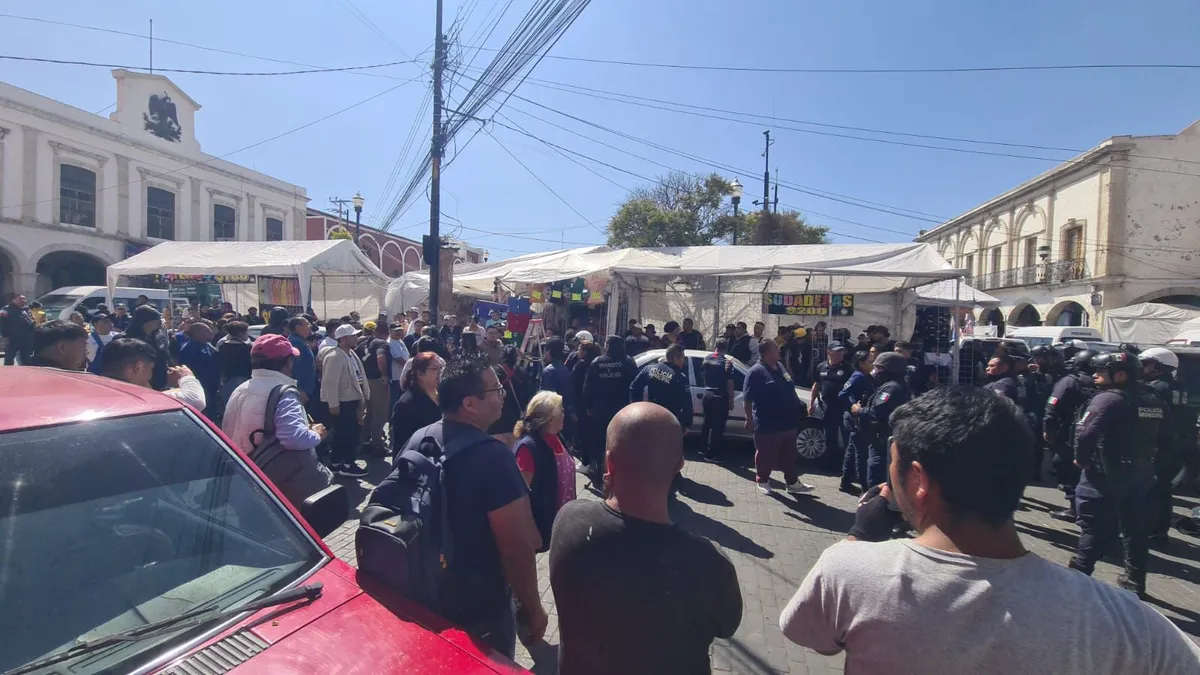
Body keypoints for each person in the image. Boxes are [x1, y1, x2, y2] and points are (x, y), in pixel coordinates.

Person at [779, 385, 1200, 673]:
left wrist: (861, 533)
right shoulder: (1125, 620)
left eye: (894, 467)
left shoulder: (850, 571)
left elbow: (813, 637)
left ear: (920, 481)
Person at [550, 403, 742, 675]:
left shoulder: (569, 520)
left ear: (609, 461)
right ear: (679, 466)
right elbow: (727, 625)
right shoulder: (710, 564)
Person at [391, 358, 547, 658]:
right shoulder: (495, 459)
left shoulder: (420, 437)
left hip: (425, 592)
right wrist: (533, 608)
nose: (503, 394)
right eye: (496, 389)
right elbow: (516, 549)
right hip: (479, 610)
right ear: (470, 404)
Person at [1070, 351, 1163, 598]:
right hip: (1141, 473)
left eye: (1100, 371)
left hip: (1106, 474)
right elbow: (1167, 437)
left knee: (1093, 527)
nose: (1095, 375)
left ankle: (1078, 577)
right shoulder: (1152, 399)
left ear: (1120, 375)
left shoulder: (1108, 399)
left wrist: (1081, 458)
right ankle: (1135, 581)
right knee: (1135, 530)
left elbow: (1087, 432)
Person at [221, 334, 331, 506]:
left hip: (245, 473)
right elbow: (294, 438)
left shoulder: (240, 389)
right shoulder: (283, 393)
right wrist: (316, 434)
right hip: (276, 480)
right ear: (287, 362)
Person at [744, 340, 813, 495]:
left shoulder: (780, 366)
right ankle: (762, 480)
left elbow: (789, 387)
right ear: (767, 352)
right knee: (766, 454)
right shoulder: (756, 371)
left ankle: (793, 483)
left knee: (789, 455)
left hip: (788, 422)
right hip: (768, 423)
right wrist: (749, 419)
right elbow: (747, 399)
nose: (779, 351)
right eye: (776, 349)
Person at [512, 391, 577, 550]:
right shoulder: (528, 448)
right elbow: (519, 496)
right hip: (543, 526)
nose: (564, 414)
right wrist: (531, 531)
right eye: (560, 410)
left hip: (562, 522)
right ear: (549, 418)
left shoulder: (556, 437)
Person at [1044, 349, 1098, 522]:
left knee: (1064, 466)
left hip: (1068, 432)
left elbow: (1052, 408)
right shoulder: (1102, 383)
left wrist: (1048, 429)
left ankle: (1074, 507)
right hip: (1094, 433)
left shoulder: (1069, 382)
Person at [1141, 347, 1187, 549]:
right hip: (1175, 444)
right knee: (1163, 490)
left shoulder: (1157, 388)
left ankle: (1152, 530)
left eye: (1147, 364)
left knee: (1152, 489)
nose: (1144, 368)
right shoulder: (1177, 386)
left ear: (1160, 367)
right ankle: (1160, 531)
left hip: (1160, 445)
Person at [583, 335, 639, 474]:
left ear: (608, 345)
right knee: (620, 439)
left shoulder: (597, 362)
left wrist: (589, 406)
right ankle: (619, 469)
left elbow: (588, 386)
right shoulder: (629, 362)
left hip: (600, 409)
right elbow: (636, 385)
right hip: (622, 409)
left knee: (600, 439)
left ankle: (600, 468)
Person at [320, 323, 371, 478]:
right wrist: (333, 404)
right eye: (353, 335)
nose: (356, 337)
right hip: (343, 402)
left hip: (352, 399)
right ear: (343, 339)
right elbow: (330, 381)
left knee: (346, 433)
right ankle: (348, 464)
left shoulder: (351, 353)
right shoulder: (334, 356)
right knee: (348, 434)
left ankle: (336, 463)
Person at [100, 338, 207, 410]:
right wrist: (186, 376)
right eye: (151, 368)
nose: (151, 375)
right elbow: (196, 401)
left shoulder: (94, 392)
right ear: (138, 367)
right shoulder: (139, 399)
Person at [858, 352, 912, 488]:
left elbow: (877, 413)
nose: (876, 371)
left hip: (882, 440)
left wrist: (858, 410)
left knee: (876, 478)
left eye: (880, 368)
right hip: (879, 438)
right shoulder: (889, 386)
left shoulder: (892, 388)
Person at [390, 351, 445, 455]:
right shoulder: (406, 404)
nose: (440, 372)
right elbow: (401, 445)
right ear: (420, 373)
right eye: (434, 369)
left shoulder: (443, 396)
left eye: (441, 368)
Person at [631, 344, 692, 434]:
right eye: (682, 357)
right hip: (669, 420)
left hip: (650, 416)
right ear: (675, 358)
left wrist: (638, 409)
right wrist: (687, 424)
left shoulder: (649, 368)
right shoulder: (679, 377)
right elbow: (687, 403)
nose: (684, 361)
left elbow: (634, 387)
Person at [839, 350, 877, 492]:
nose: (872, 364)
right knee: (862, 454)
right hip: (855, 419)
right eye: (869, 361)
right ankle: (865, 488)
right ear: (861, 363)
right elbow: (843, 395)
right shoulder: (858, 377)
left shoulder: (867, 376)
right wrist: (853, 405)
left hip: (860, 418)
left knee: (851, 450)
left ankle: (846, 481)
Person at [812, 342, 852, 472]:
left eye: (842, 351)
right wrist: (811, 403)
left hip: (844, 407)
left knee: (846, 437)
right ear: (829, 352)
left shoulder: (848, 368)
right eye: (837, 351)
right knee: (830, 436)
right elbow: (816, 385)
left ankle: (847, 467)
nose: (840, 353)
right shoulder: (821, 367)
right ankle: (830, 464)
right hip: (828, 407)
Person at [357, 322, 391, 456]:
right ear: (386, 333)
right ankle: (377, 443)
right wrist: (384, 374)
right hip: (377, 380)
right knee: (380, 412)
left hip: (364, 381)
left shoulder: (362, 344)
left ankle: (365, 441)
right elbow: (381, 357)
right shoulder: (382, 344)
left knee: (368, 413)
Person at [177, 321, 222, 418]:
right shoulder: (188, 348)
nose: (211, 333)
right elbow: (185, 368)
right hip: (201, 387)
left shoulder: (208, 345)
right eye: (207, 331)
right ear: (197, 333)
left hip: (212, 386)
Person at [124, 305, 173, 390]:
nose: (160, 322)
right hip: (139, 387)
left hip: (161, 383)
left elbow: (166, 356)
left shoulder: (160, 336)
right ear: (145, 322)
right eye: (157, 319)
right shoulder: (126, 340)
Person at [701, 339, 735, 457]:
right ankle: (712, 455)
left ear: (715, 346)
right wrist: (731, 400)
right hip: (719, 396)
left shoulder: (707, 358)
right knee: (717, 427)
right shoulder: (726, 362)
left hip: (707, 394)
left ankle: (703, 449)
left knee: (707, 423)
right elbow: (730, 383)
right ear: (726, 348)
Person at [286, 317, 317, 404]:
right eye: (307, 324)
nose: (309, 327)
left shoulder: (301, 341)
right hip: (301, 391)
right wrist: (299, 389)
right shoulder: (295, 343)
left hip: (307, 389)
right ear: (298, 327)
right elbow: (292, 368)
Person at [540, 337, 574, 411]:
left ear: (549, 352)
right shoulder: (566, 369)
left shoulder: (548, 371)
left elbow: (546, 397)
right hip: (564, 411)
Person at [1, 294, 35, 365]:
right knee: (9, 358)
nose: (22, 301)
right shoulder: (6, 309)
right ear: (14, 300)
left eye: (24, 299)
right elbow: (2, 323)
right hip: (12, 338)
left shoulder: (26, 309)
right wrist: (4, 336)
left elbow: (32, 320)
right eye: (20, 299)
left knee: (26, 359)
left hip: (26, 338)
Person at [385, 321, 410, 408]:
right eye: (396, 330)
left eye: (400, 330)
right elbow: (398, 358)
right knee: (395, 401)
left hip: (403, 375)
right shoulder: (390, 343)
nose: (399, 332)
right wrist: (409, 366)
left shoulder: (400, 341)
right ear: (390, 331)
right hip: (396, 377)